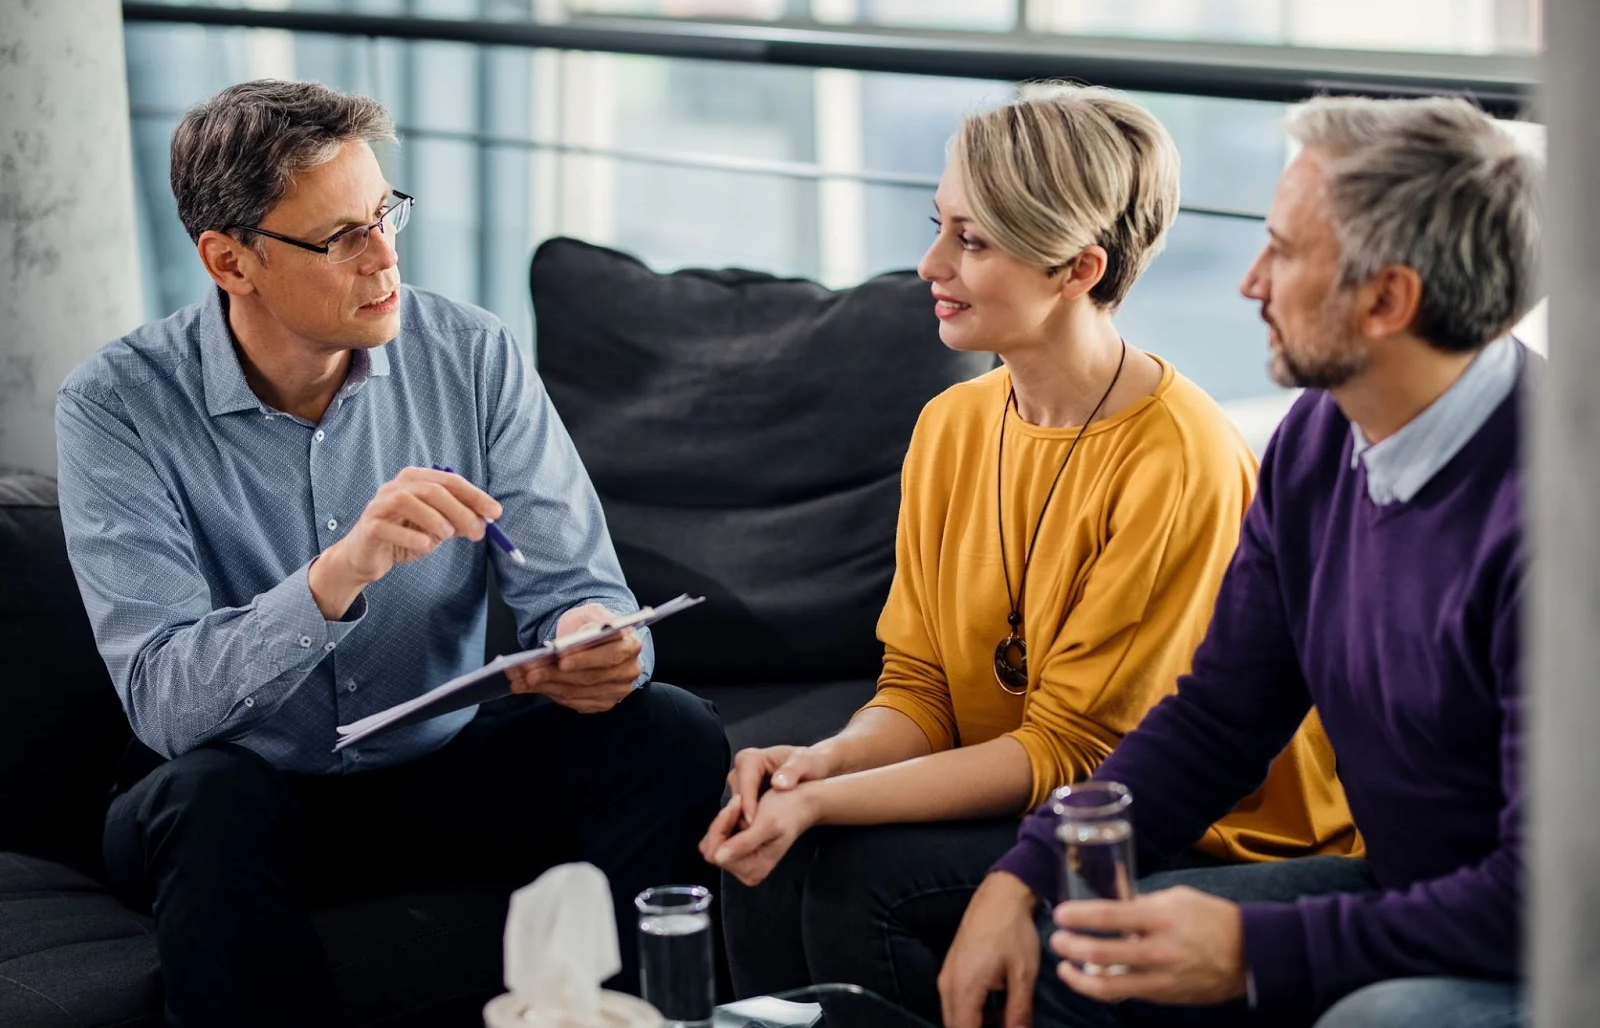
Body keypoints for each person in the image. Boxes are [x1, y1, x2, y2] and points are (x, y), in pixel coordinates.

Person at [54, 80, 727, 1028]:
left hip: (439, 771)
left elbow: (577, 587)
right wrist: (339, 575)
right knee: (205, 800)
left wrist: (594, 638)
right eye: (340, 238)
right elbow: (165, 703)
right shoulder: (116, 407)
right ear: (229, 260)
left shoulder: (472, 353)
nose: (383, 258)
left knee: (668, 729)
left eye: (385, 215)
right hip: (245, 795)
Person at [700, 85, 1361, 1025]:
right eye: (939, 227)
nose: (931, 264)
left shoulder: (1177, 457)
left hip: (1185, 829)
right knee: (763, 856)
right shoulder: (952, 424)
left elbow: (1076, 755)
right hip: (1038, 794)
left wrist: (832, 804)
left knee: (856, 875)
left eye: (973, 241)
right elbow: (920, 686)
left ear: (1078, 269)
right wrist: (825, 765)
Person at [941, 95, 1539, 1028]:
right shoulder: (1320, 436)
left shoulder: (1552, 524)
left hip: (1545, 943)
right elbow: (1219, 717)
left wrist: (1257, 953)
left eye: (1284, 254)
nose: (1251, 283)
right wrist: (1025, 874)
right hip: (1410, 891)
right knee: (1076, 959)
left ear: (1388, 300)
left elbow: (1545, 893)